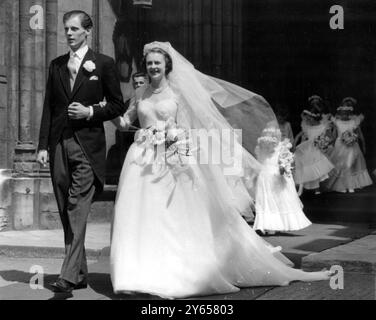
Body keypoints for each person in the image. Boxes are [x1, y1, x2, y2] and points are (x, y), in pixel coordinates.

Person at [110, 41, 331, 299]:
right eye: (149, 63)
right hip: (142, 160)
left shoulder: (178, 93)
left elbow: (191, 127)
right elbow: (126, 122)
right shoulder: (141, 94)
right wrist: (108, 111)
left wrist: (176, 144)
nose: (153, 67)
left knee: (171, 216)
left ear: (166, 65)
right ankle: (138, 274)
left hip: (172, 157)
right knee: (141, 216)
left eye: (157, 63)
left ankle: (171, 274)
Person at [37, 10, 126, 293]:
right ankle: (80, 272)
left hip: (88, 147)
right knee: (66, 207)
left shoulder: (104, 64)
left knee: (77, 207)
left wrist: (90, 111)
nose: (69, 34)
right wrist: (42, 146)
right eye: (66, 29)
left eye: (75, 29)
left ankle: (67, 275)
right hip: (59, 144)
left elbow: (116, 106)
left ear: (87, 31)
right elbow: (49, 108)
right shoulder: (56, 65)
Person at [253, 127, 311, 236]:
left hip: (268, 175)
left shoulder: (262, 146)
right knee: (274, 200)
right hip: (271, 175)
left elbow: (262, 160)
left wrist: (285, 167)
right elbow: (286, 160)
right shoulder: (280, 146)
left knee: (269, 201)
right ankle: (271, 225)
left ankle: (270, 226)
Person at [324, 97, 373, 193]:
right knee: (340, 165)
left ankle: (350, 185)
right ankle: (342, 186)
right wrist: (327, 144)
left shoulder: (353, 122)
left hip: (351, 146)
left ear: (349, 114)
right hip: (339, 146)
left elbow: (359, 134)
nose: (344, 115)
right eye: (342, 113)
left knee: (350, 165)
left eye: (346, 113)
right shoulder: (337, 122)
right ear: (339, 114)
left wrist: (361, 143)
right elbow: (333, 136)